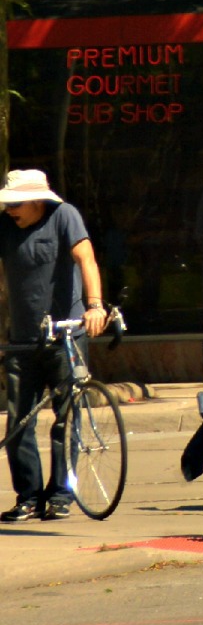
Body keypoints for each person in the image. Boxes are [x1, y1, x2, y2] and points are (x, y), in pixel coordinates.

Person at [1, 168, 110, 523]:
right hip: (22, 339)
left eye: (16, 204)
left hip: (64, 335)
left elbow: (87, 260)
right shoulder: (4, 226)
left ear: (37, 201)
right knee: (18, 422)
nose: (11, 210)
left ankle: (61, 493)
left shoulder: (64, 217)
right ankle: (29, 497)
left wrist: (94, 306)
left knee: (65, 417)